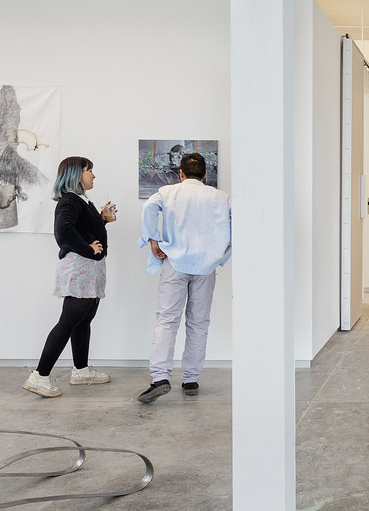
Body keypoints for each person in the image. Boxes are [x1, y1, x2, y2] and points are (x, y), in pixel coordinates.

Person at [138, 151, 232, 403]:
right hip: (206, 267)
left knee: (167, 321)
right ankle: (191, 379)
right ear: (205, 175)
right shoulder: (221, 197)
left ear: (180, 174)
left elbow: (148, 207)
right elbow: (237, 223)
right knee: (199, 323)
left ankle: (160, 378)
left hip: (175, 263)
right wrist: (222, 254)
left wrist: (153, 240)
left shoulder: (168, 192)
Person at [23, 156, 117, 398]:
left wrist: (103, 219)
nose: (93, 175)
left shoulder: (82, 201)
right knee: (68, 321)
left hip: (89, 269)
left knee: (83, 320)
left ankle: (81, 370)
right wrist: (88, 249)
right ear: (77, 174)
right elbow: (64, 231)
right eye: (89, 171)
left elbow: (86, 231)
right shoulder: (70, 201)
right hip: (80, 268)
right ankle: (39, 376)